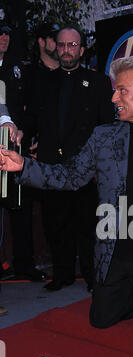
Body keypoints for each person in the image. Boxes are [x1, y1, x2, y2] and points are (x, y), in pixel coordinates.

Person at [0, 56, 133, 336]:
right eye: (114, 89)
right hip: (115, 249)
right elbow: (70, 177)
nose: (113, 98)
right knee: (101, 319)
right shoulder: (103, 136)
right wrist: (24, 165)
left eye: (122, 90)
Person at [23, 24, 115, 292]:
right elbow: (32, 119)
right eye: (61, 45)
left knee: (87, 226)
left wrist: (101, 164)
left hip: (85, 168)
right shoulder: (44, 81)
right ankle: (61, 275)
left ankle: (90, 276)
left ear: (82, 50)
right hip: (51, 165)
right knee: (55, 224)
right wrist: (22, 134)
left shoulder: (99, 82)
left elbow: (107, 125)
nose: (66, 50)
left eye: (72, 45)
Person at [0, 16, 47, 282]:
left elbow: (31, 109)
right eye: (0, 34)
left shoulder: (19, 67)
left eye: (7, 33)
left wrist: (23, 131)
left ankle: (24, 263)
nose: (4, 38)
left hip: (15, 144)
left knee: (21, 205)